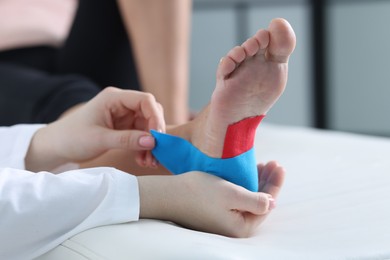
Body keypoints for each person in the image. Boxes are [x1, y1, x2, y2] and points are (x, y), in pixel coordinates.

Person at [0, 18, 295, 259]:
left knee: (71, 98)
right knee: (63, 96)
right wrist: (162, 197)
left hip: (70, 47)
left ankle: (180, 133)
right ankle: (187, 140)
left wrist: (46, 142)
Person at [0, 0, 191, 125]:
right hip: (7, 61)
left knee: (74, 99)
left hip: (74, 42)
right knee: (65, 99)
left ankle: (171, 126)